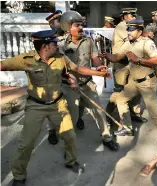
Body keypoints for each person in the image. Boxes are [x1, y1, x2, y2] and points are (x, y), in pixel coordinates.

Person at [0, 30, 111, 186]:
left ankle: (71, 161)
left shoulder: (60, 58)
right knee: (26, 143)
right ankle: (18, 175)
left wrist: (98, 73)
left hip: (58, 105)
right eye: (53, 43)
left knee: (70, 136)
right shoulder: (26, 60)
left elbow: (77, 69)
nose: (57, 45)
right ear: (45, 46)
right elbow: (2, 65)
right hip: (35, 106)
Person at [107, 19, 157, 147]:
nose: (128, 32)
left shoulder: (147, 43)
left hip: (147, 83)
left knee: (154, 113)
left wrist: (138, 59)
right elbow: (117, 57)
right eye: (127, 29)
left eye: (131, 30)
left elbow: (156, 60)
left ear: (139, 32)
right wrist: (104, 55)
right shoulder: (128, 42)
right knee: (120, 99)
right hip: (133, 83)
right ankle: (127, 128)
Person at [59, 11, 119, 151]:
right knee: (71, 118)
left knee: (99, 111)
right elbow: (76, 69)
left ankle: (107, 137)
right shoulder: (60, 46)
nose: (81, 28)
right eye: (77, 25)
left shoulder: (88, 41)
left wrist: (99, 66)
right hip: (70, 87)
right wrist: (98, 73)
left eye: (81, 25)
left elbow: (94, 57)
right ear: (68, 27)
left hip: (87, 84)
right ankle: (69, 149)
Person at [104, 7, 146, 132]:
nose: (133, 17)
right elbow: (132, 38)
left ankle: (134, 114)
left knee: (135, 90)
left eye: (134, 16)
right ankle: (108, 114)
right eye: (130, 15)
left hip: (129, 62)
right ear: (124, 17)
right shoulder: (123, 26)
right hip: (121, 62)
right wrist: (144, 34)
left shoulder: (130, 26)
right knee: (119, 91)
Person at [45, 10, 65, 145]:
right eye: (59, 20)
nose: (62, 22)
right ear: (52, 24)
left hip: (68, 77)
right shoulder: (46, 39)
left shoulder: (69, 35)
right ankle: (52, 130)